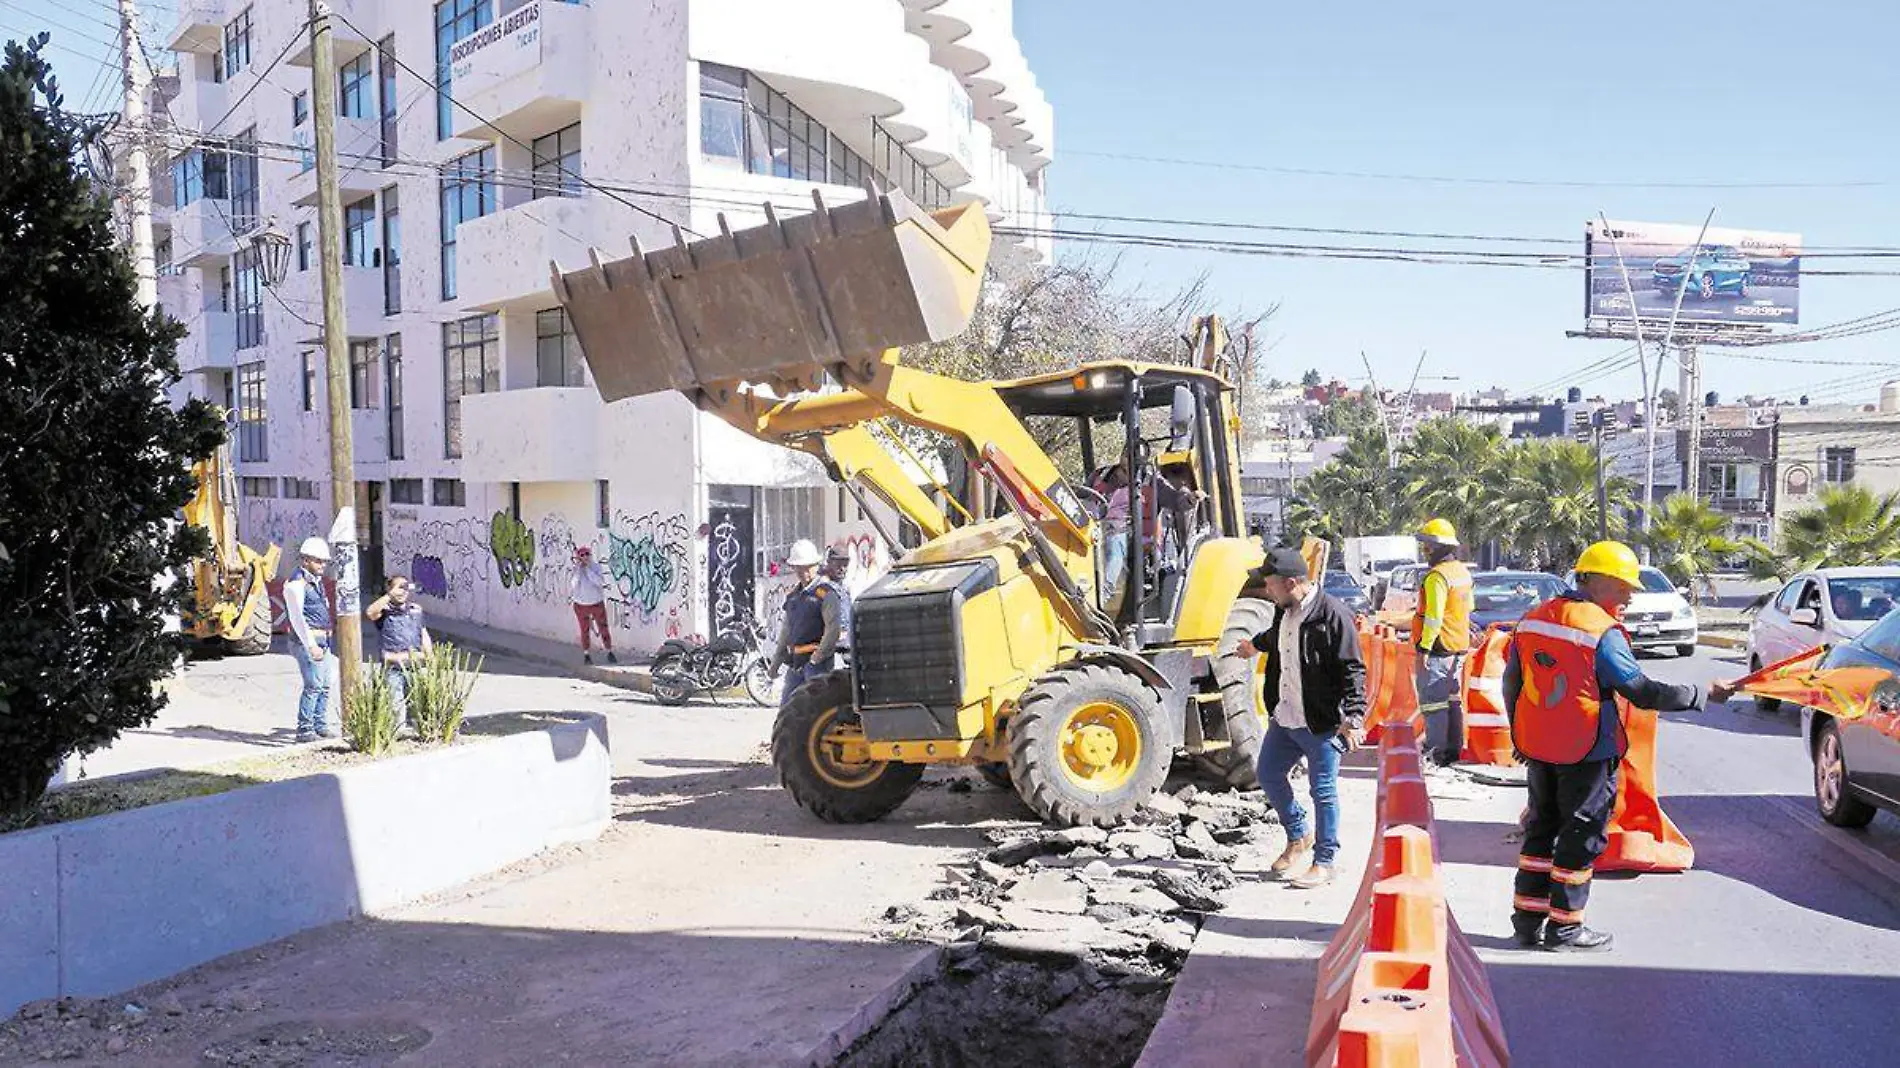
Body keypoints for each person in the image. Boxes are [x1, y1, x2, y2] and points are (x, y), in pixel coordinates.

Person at [1507, 540, 1738, 952]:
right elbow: (1641, 691)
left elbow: (1514, 683)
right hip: (1587, 748)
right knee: (1581, 836)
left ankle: (1527, 924)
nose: (1630, 597)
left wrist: (1518, 734)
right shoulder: (1599, 631)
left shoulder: (1533, 619)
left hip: (1539, 744)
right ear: (1595, 581)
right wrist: (1700, 693)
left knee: (1540, 831)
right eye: (1623, 587)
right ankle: (1565, 930)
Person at [1225, 545, 1368, 889]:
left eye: (1270, 585)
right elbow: (1277, 638)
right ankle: (1298, 834)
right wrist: (1253, 646)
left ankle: (1325, 860)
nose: (1266, 590)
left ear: (1290, 583)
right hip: (1286, 717)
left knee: (1323, 791)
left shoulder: (1333, 616)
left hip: (1321, 722)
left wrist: (1355, 717)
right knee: (1269, 774)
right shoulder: (1284, 611)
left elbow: (1353, 669)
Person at [1413, 518, 1475, 768]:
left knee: (1434, 703)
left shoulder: (1436, 576)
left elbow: (1434, 617)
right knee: (1453, 702)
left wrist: (1424, 647)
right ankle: (1452, 751)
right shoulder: (1461, 571)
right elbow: (1468, 607)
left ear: (1439, 547)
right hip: (1458, 645)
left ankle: (1435, 753)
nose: (1425, 551)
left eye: (1427, 546)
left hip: (1439, 648)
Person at [770, 539, 843, 708]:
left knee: (818, 710)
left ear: (816, 565)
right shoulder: (794, 597)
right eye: (799, 567)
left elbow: (833, 629)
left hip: (817, 664)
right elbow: (786, 632)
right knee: (787, 710)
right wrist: (776, 662)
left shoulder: (825, 594)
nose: (804, 572)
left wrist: (817, 659)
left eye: (807, 567)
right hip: (796, 663)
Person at [283, 537, 340, 742]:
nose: (322, 565)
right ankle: (305, 729)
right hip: (308, 641)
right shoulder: (296, 584)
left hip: (322, 639)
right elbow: (297, 618)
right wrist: (311, 644)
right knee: (314, 684)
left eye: (324, 561)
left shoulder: (315, 582)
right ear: (305, 560)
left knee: (325, 683)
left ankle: (320, 724)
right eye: (318, 561)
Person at [366, 574, 431, 732]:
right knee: (396, 709)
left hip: (415, 666)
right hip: (393, 669)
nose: (402, 592)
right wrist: (389, 595)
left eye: (405, 588)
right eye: (398, 588)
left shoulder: (415, 610)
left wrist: (429, 655)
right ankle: (398, 736)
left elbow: (422, 633)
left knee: (418, 709)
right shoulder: (384, 613)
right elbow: (370, 612)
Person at [570, 545, 616, 665]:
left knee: (603, 627)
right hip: (581, 604)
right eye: (582, 555)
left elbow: (599, 582)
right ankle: (586, 654)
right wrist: (579, 570)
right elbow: (574, 584)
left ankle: (609, 650)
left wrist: (588, 570)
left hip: (596, 602)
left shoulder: (596, 567)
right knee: (584, 629)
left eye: (587, 554)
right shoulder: (576, 569)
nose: (585, 557)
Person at [824, 545, 853, 663]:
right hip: (834, 652)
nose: (842, 568)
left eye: (845, 565)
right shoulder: (824, 587)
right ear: (829, 563)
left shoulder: (843, 589)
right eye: (838, 564)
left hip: (845, 648)